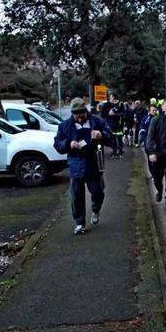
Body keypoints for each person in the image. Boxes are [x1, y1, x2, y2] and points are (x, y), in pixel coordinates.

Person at [54, 97, 112, 234]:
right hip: (76, 164)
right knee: (76, 196)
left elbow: (110, 137)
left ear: (86, 112)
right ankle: (79, 223)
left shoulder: (97, 121)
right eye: (77, 116)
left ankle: (95, 210)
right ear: (72, 114)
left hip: (94, 163)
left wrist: (101, 135)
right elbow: (57, 144)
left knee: (98, 192)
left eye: (82, 115)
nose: (80, 118)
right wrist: (68, 144)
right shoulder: (65, 126)